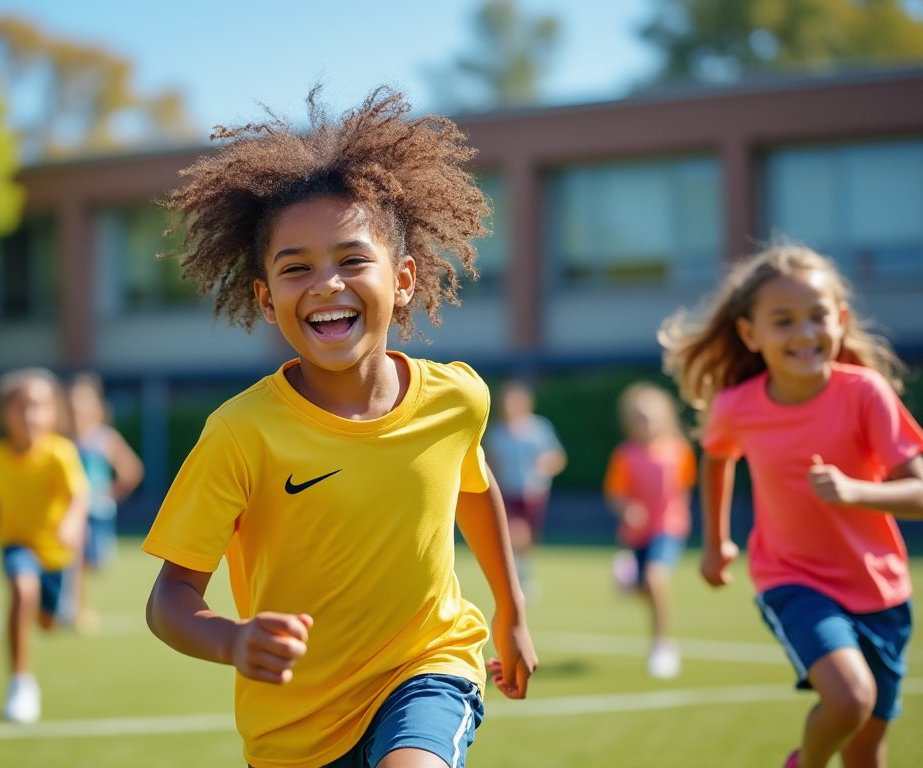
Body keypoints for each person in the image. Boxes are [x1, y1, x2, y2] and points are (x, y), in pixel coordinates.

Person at [143, 87, 538, 768]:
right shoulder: (241, 432)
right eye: (297, 269)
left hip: (427, 667)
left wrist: (510, 609)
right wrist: (233, 641)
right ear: (266, 298)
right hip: (296, 728)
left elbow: (470, 490)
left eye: (353, 260)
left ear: (404, 279)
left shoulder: (459, 398)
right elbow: (170, 599)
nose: (326, 284)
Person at [660, 244, 923, 768]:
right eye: (783, 321)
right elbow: (718, 458)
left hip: (882, 589)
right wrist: (714, 542)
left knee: (866, 749)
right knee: (850, 697)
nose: (805, 334)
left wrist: (856, 491)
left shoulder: (867, 394)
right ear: (750, 334)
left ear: (842, 320)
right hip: (794, 580)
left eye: (818, 317)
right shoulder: (737, 406)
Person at [0, 367, 89, 724]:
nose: (29, 415)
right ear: (4, 413)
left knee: (48, 621)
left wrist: (70, 523)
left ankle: (48, 614)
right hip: (16, 544)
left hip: (55, 553)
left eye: (38, 406)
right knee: (21, 590)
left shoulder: (60, 453)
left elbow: (78, 497)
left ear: (53, 412)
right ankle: (21, 683)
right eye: (20, 407)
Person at [602, 382, 695, 679]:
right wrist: (627, 509)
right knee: (646, 587)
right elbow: (615, 494)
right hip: (636, 534)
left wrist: (679, 518)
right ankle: (629, 578)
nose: (645, 423)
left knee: (655, 578)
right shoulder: (625, 455)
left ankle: (662, 645)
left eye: (650, 416)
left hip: (668, 529)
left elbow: (684, 489)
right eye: (638, 417)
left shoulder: (678, 451)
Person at [65, 373, 143, 631]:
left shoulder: (104, 438)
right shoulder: (64, 441)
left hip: (96, 512)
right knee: (75, 558)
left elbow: (131, 470)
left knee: (94, 562)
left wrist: (110, 494)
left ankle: (75, 606)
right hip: (70, 512)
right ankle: (74, 609)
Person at [483, 379, 566, 595]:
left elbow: (557, 457)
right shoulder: (498, 432)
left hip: (532, 492)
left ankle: (524, 572)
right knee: (514, 532)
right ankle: (513, 576)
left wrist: (543, 466)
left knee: (528, 537)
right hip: (507, 491)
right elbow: (490, 462)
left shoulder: (539, 428)